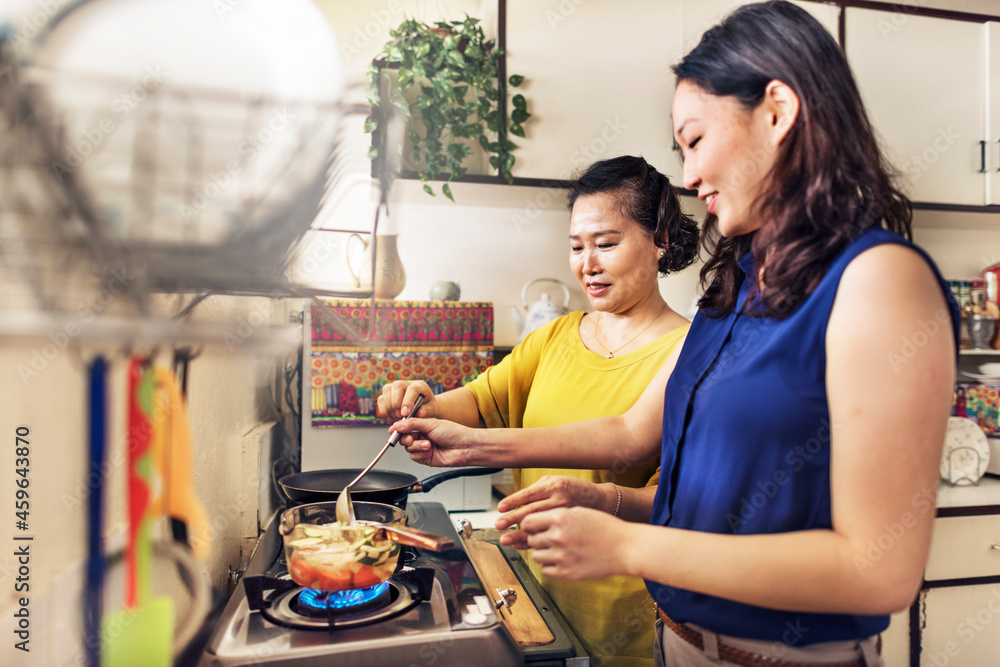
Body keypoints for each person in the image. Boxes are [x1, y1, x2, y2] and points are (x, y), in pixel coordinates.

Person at [390, 3, 959, 666]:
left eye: (695, 140)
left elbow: (877, 569)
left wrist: (629, 546)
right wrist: (562, 479)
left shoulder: (879, 279)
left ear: (777, 110)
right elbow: (634, 432)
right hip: (678, 643)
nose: (688, 176)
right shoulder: (740, 282)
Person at [377, 155, 699, 666]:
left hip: (626, 616)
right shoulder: (554, 337)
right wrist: (424, 400)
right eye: (576, 246)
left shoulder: (691, 350)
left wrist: (473, 446)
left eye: (606, 244)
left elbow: (668, 496)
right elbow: (482, 402)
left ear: (660, 238)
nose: (586, 264)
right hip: (529, 595)